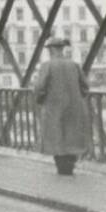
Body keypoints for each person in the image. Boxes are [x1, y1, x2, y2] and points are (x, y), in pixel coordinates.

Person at [32, 37, 91, 175]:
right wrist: (77, 98)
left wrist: (41, 100)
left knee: (57, 138)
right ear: (62, 49)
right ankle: (69, 167)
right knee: (71, 138)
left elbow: (40, 87)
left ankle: (62, 169)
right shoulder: (74, 65)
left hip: (54, 108)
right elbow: (85, 87)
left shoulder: (47, 65)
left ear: (52, 49)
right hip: (74, 108)